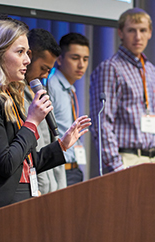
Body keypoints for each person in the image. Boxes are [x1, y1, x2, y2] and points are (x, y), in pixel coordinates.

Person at [0, 19, 91, 242]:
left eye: (27, 52)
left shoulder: (9, 94)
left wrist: (62, 145)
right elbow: (6, 163)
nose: (27, 59)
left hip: (21, 203)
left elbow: (25, 162)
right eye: (20, 52)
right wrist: (33, 122)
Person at [90, 8, 155, 173]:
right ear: (120, 33)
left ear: (150, 33)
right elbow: (102, 121)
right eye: (131, 30)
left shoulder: (152, 70)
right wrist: (116, 165)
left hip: (154, 157)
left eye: (143, 30)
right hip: (127, 159)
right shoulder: (111, 68)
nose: (138, 37)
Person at [23, 28, 67, 194]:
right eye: (43, 68)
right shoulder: (11, 96)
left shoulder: (40, 93)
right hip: (31, 191)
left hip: (49, 190)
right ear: (29, 56)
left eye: (49, 70)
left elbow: (51, 141)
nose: (44, 75)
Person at [47, 33, 90, 185]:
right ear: (59, 59)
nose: (81, 65)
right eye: (75, 58)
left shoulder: (68, 88)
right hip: (59, 169)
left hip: (72, 168)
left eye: (85, 59)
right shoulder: (51, 86)